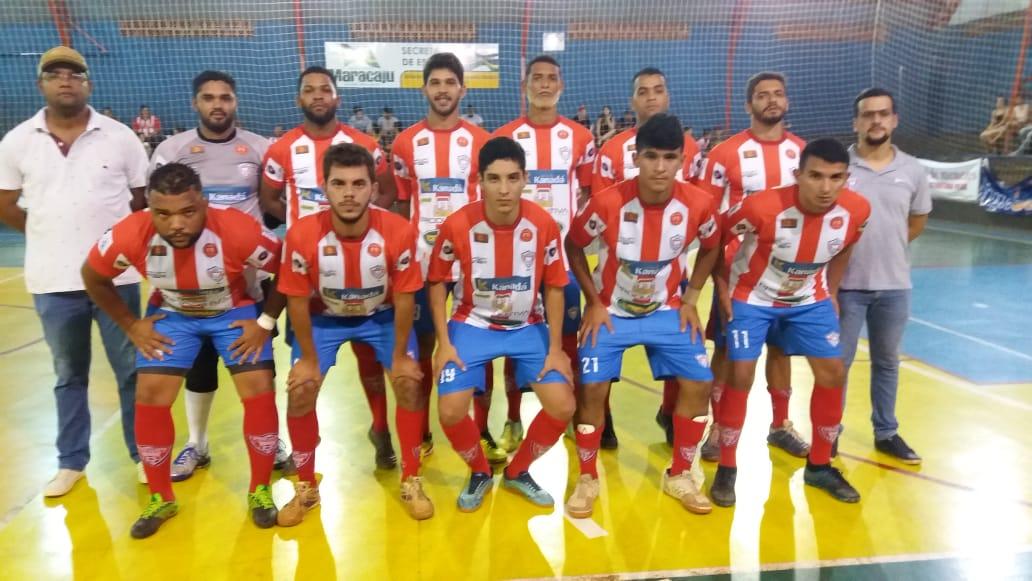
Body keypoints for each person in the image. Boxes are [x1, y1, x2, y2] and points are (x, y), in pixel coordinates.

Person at [82, 162, 284, 538]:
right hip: (171, 313)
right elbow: (93, 276)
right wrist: (131, 325)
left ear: (204, 205)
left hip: (232, 310)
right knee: (150, 393)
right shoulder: (130, 233)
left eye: (188, 212)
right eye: (163, 214)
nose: (176, 224)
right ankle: (161, 497)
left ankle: (259, 490)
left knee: (258, 386)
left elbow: (289, 267)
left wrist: (264, 323)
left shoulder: (238, 230)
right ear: (149, 209)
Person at [0, 46, 149, 497]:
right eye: (55, 74)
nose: (65, 81)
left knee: (132, 371)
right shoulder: (17, 141)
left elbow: (141, 201)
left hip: (115, 281)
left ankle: (144, 453)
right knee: (69, 374)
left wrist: (113, 248)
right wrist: (44, 232)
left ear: (88, 83)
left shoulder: (120, 136)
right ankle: (71, 461)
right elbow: (6, 203)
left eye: (74, 74)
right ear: (41, 84)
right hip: (53, 281)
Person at [564, 114, 722, 518]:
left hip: (668, 310)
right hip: (611, 311)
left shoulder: (699, 205)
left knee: (700, 382)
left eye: (669, 157)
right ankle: (586, 478)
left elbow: (711, 246)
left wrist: (691, 297)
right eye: (651, 156)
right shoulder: (607, 202)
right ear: (637, 157)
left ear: (682, 160)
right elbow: (574, 243)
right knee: (593, 388)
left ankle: (681, 474)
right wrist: (594, 302)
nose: (659, 167)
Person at [710, 138, 872, 506]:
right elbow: (718, 237)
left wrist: (831, 290)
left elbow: (847, 245)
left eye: (836, 177)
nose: (826, 187)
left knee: (833, 372)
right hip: (751, 298)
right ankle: (727, 468)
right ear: (798, 175)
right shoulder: (760, 206)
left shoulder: (857, 211)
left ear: (847, 177)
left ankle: (819, 465)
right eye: (815, 176)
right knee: (741, 374)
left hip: (808, 300)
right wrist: (722, 288)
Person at [277, 143, 432, 524]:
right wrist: (309, 360)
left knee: (409, 382)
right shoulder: (301, 234)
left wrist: (398, 357)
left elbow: (407, 298)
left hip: (380, 316)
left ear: (373, 189)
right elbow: (296, 300)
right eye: (339, 184)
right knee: (300, 389)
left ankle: (412, 479)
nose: (349, 193)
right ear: (324, 187)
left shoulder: (399, 231)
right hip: (323, 318)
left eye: (359, 184)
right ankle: (305, 486)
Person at [149, 70, 291, 480]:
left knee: (261, 364)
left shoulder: (261, 149)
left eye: (225, 97)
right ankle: (197, 443)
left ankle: (272, 437)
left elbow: (275, 201)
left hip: (247, 282)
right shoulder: (173, 149)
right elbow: (154, 210)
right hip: (190, 281)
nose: (218, 105)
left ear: (235, 102)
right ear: (196, 103)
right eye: (209, 98)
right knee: (199, 365)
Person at [260, 65, 398, 470]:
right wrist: (301, 232)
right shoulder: (282, 148)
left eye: (325, 90)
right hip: (306, 279)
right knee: (305, 375)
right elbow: (268, 198)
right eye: (309, 90)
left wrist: (365, 228)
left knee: (371, 362)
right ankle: (305, 466)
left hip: (364, 271)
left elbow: (387, 192)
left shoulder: (365, 144)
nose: (318, 96)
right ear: (299, 99)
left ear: (336, 98)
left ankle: (380, 430)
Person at [428, 136, 575, 512]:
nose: (504, 189)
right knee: (450, 410)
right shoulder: (456, 225)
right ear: (480, 181)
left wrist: (556, 349)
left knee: (562, 406)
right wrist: (443, 342)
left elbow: (555, 287)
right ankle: (479, 471)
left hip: (528, 326)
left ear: (525, 178)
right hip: (471, 324)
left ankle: (517, 471)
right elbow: (437, 282)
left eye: (512, 178)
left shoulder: (543, 224)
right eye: (494, 179)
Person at [694, 71, 809, 463]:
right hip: (741, 278)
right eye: (762, 95)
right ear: (749, 105)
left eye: (778, 94)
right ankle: (717, 429)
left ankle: (780, 425)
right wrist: (720, 280)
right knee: (727, 354)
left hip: (790, 277)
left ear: (787, 101)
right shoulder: (725, 154)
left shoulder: (802, 154)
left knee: (781, 351)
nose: (771, 101)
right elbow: (710, 222)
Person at [387, 52, 492, 459]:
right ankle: (424, 431)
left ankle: (482, 429)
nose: (443, 90)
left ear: (462, 89)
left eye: (451, 82)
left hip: (472, 263)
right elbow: (398, 206)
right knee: (425, 345)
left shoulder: (481, 143)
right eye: (436, 82)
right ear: (424, 88)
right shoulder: (404, 143)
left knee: (481, 341)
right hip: (421, 264)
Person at [489, 55, 595, 453]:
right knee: (509, 339)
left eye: (552, 78)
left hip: (562, 267)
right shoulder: (504, 137)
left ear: (561, 86)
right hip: (513, 264)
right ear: (525, 86)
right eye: (537, 78)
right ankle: (514, 419)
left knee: (566, 340)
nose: (545, 85)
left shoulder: (581, 138)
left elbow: (586, 194)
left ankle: (566, 413)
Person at [592, 67, 703, 445]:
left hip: (672, 268)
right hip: (619, 274)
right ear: (632, 101)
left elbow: (699, 207)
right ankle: (601, 418)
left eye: (658, 90)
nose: (652, 97)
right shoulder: (610, 151)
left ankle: (671, 414)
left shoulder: (693, 150)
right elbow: (600, 214)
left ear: (667, 96)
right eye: (643, 91)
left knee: (681, 347)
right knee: (601, 347)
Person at [836, 88, 930, 464]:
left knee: (887, 362)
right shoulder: (840, 167)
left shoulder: (912, 170)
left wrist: (887, 246)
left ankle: (886, 431)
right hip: (845, 286)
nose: (875, 120)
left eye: (883, 114)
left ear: (894, 120)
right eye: (867, 114)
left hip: (894, 287)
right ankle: (830, 431)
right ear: (856, 122)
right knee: (836, 365)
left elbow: (917, 220)